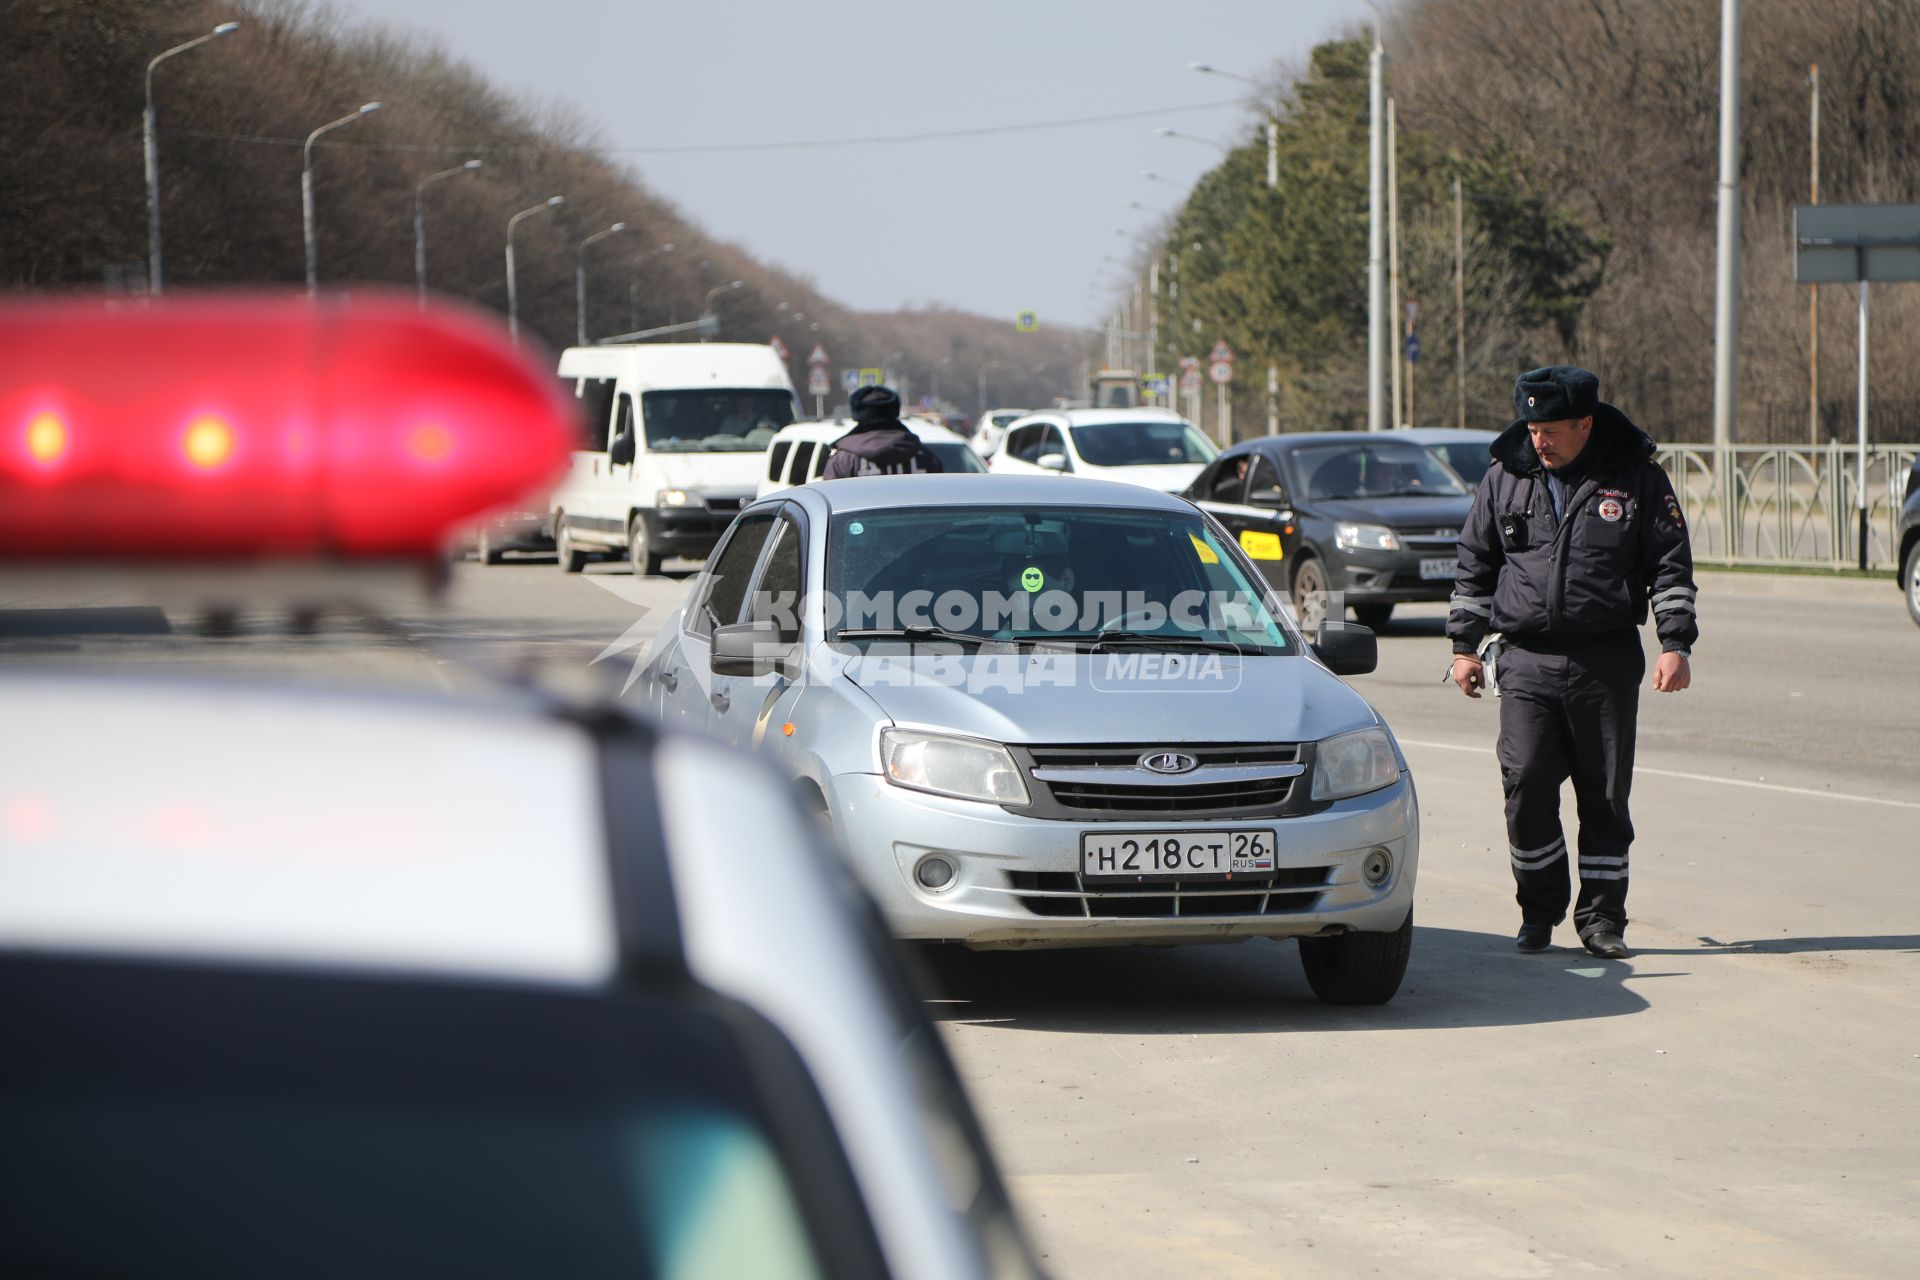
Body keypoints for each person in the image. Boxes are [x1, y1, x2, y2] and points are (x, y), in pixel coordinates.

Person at [1446, 365, 1696, 960]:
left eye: (1552, 428)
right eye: (1532, 427)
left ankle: (1603, 920)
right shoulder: (1504, 477)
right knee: (1526, 782)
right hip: (1525, 660)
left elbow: (1669, 563)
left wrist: (1675, 643)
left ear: (1586, 423)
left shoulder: (1637, 479)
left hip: (1604, 660)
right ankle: (1540, 907)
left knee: (1604, 796)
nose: (1539, 439)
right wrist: (1463, 646)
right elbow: (1475, 562)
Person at [820, 385, 945, 479]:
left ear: (857, 414)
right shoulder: (925, 457)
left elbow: (831, 504)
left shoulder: (843, 461)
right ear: (895, 411)